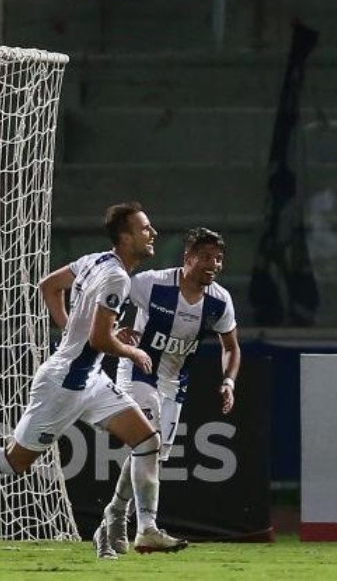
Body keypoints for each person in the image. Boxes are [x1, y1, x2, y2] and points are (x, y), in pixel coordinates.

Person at [0, 201, 188, 555]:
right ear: (126, 237)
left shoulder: (95, 260)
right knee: (14, 461)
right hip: (63, 383)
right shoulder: (117, 277)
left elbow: (49, 286)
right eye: (145, 229)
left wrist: (75, 328)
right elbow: (100, 339)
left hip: (91, 378)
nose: (153, 234)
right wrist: (132, 351)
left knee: (147, 441)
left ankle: (145, 528)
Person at [95, 227, 241, 559]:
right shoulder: (152, 283)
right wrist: (114, 330)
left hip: (175, 385)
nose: (213, 264)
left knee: (149, 455)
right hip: (139, 370)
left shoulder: (219, 301)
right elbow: (108, 296)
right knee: (148, 444)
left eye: (218, 259)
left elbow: (231, 347)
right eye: (205, 257)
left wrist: (229, 380)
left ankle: (114, 515)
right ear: (187, 258)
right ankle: (146, 528)